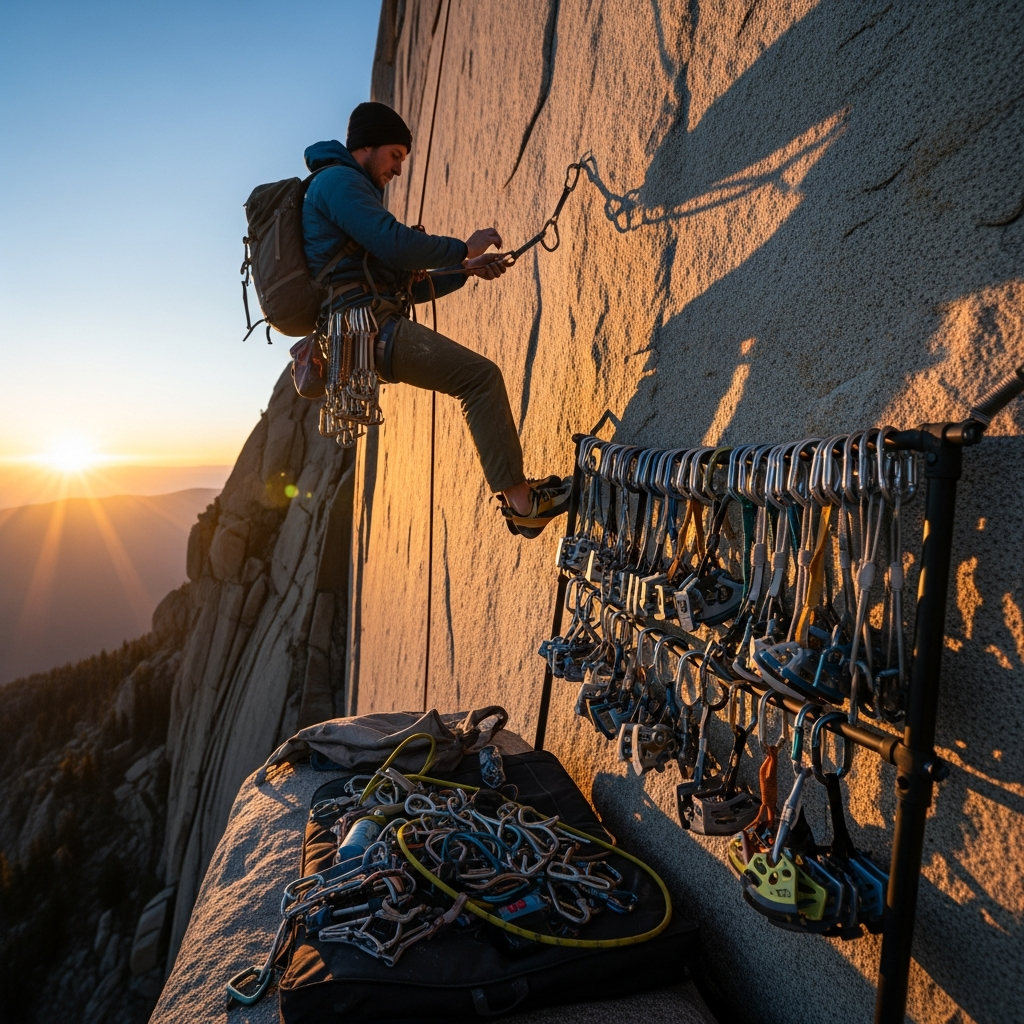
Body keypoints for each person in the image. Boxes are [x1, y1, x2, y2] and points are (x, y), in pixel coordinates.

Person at [302, 101, 570, 538]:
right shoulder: (337, 182)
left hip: (367, 328)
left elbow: (404, 285)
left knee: (476, 379)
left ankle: (520, 498)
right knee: (479, 380)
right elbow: (398, 246)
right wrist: (463, 248)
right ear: (366, 146)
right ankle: (524, 505)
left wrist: (465, 271)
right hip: (364, 329)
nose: (398, 170)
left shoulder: (350, 190)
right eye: (396, 156)